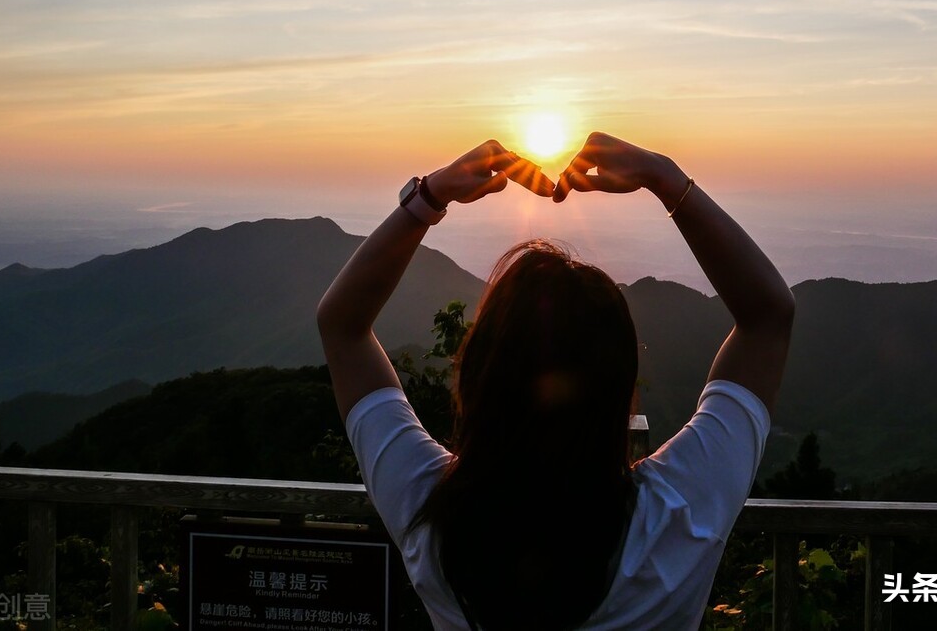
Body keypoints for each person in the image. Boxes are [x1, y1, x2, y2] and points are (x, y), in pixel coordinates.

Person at [316, 132, 794, 630]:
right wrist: (665, 178)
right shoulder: (679, 514)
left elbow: (342, 327)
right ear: (620, 392)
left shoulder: (429, 514)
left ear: (476, 378)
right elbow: (768, 316)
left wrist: (429, 196)